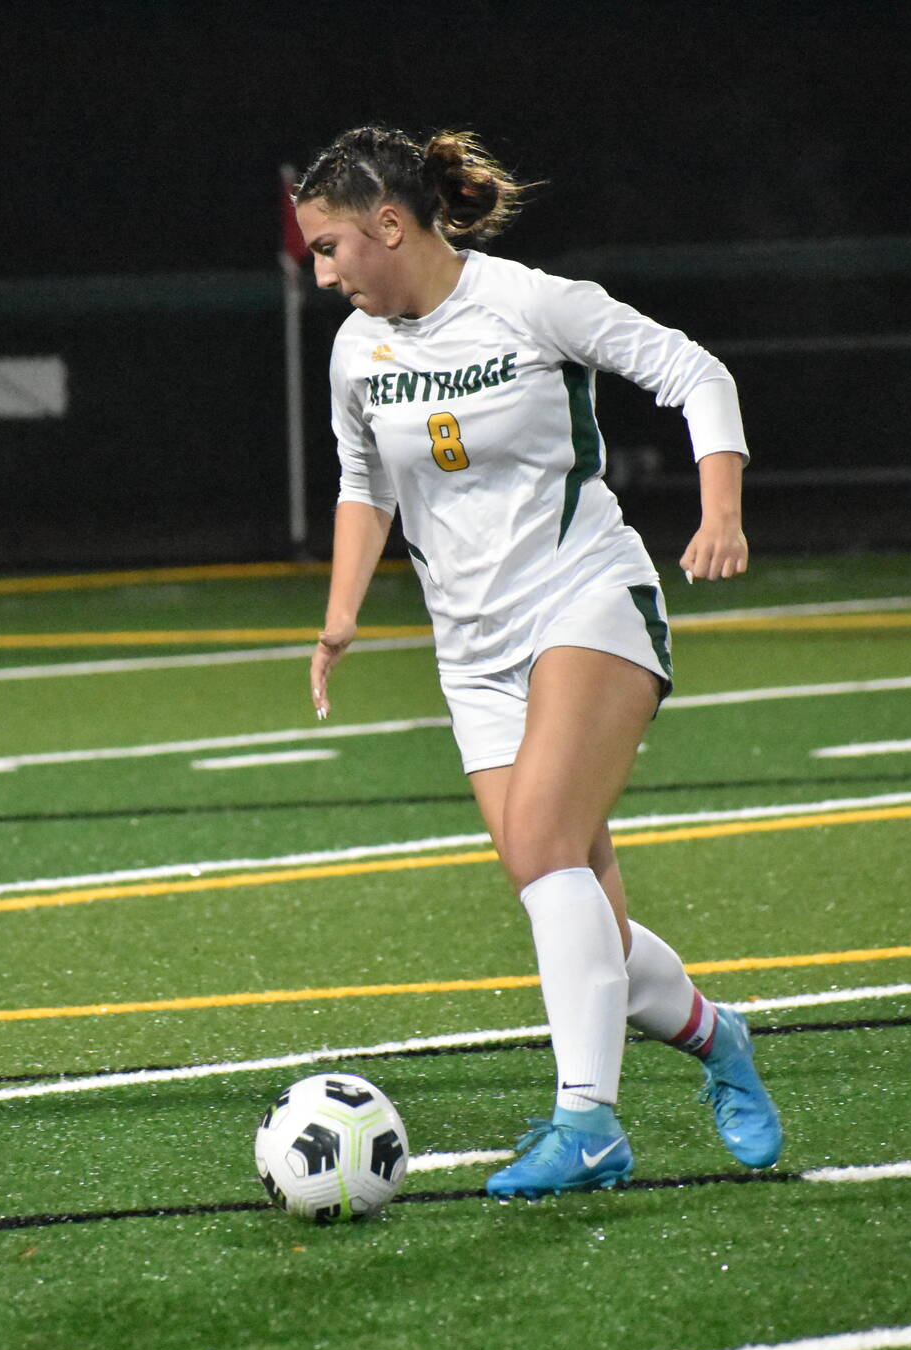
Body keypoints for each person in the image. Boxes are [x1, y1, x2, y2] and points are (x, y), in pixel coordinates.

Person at [296, 126, 781, 1200]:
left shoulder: (530, 303)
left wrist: (719, 511)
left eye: (330, 248)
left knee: (548, 845)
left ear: (388, 226)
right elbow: (361, 482)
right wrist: (339, 619)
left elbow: (694, 374)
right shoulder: (354, 353)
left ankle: (588, 1125)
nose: (322, 275)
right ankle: (716, 1039)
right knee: (567, 896)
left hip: (585, 598)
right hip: (467, 653)